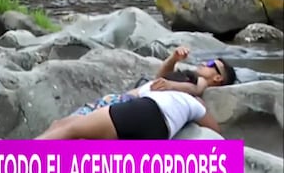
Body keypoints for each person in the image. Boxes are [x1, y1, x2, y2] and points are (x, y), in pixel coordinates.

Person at [35, 47, 237, 140]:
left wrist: (176, 85)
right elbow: (216, 133)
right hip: (155, 130)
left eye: (211, 64)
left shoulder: (193, 88)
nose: (204, 63)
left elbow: (197, 87)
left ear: (218, 78)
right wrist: (173, 59)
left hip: (140, 110)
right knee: (72, 134)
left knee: (67, 129)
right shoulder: (184, 91)